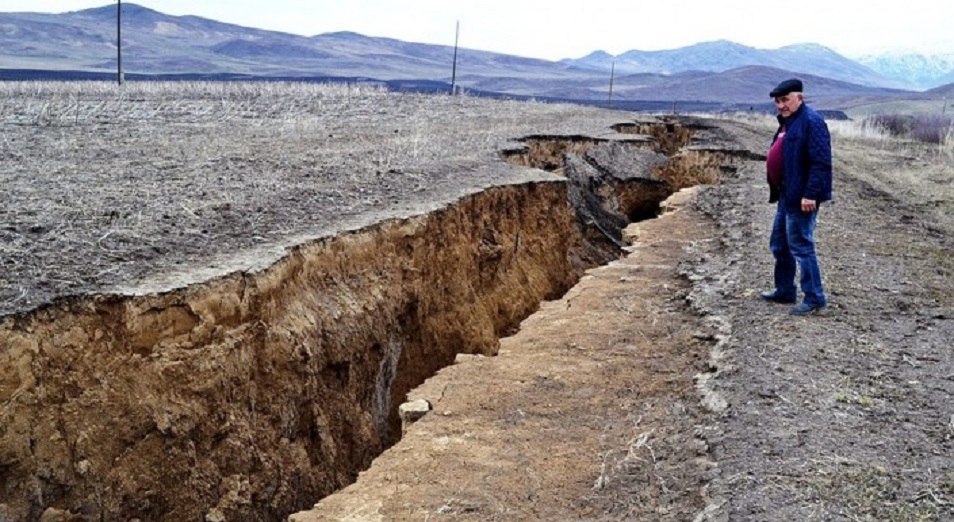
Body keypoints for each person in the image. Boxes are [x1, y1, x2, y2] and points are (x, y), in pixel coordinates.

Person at [760, 78, 833, 315]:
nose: (781, 105)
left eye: (785, 100)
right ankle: (784, 290)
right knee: (780, 245)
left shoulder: (811, 122)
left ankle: (814, 298)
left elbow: (821, 163)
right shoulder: (788, 122)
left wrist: (810, 194)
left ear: (799, 98)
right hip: (786, 194)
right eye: (778, 101)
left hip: (802, 197)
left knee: (801, 246)